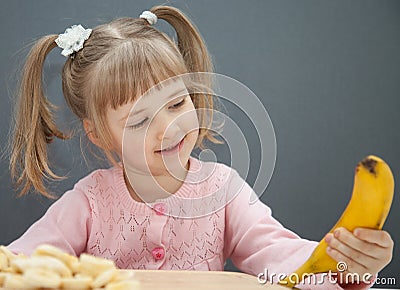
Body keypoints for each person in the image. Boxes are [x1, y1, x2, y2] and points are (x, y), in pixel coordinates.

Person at [7, 6, 393, 289]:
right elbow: (19, 265)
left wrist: (347, 266)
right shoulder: (88, 203)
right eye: (140, 121)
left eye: (176, 104)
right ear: (98, 134)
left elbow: (283, 259)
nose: (169, 127)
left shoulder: (223, 191)